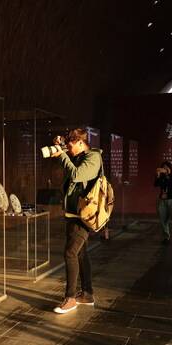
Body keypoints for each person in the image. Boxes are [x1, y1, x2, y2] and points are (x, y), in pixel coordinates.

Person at [50, 128, 102, 314]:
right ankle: (87, 294)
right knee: (80, 254)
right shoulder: (78, 157)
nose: (69, 149)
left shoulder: (93, 158)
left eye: (71, 145)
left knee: (70, 253)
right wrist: (61, 148)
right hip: (74, 214)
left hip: (83, 215)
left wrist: (63, 154)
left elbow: (77, 175)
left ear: (81, 142)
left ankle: (70, 298)